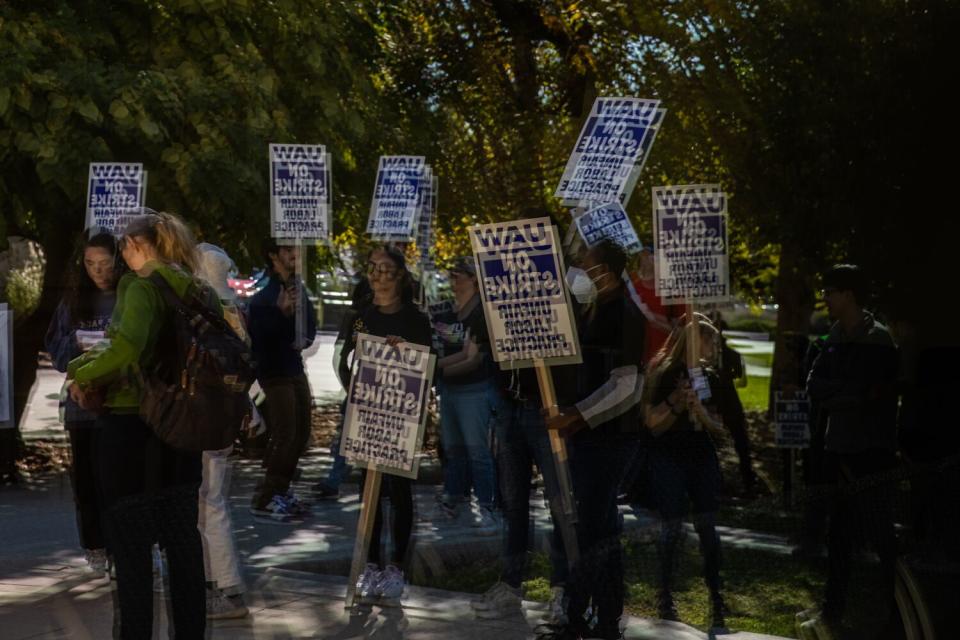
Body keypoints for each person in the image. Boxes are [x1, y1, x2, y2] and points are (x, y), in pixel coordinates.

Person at [67, 211, 209, 638]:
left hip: (134, 431)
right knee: (183, 545)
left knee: (131, 553)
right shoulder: (198, 289)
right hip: (185, 430)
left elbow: (125, 348)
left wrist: (82, 375)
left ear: (139, 247)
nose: (120, 254)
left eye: (125, 245)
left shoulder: (139, 285)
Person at [540, 239, 647, 640]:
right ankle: (604, 620)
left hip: (611, 440)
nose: (579, 273)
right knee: (601, 531)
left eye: (584, 265)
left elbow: (628, 386)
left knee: (590, 529)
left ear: (605, 270)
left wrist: (578, 415)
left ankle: (576, 618)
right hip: (588, 437)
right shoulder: (591, 310)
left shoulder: (625, 314)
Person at [798, 265, 899, 640]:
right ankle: (832, 610)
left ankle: (894, 616)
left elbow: (868, 396)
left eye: (831, 290)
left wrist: (838, 393)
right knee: (838, 536)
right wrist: (843, 392)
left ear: (850, 295)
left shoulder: (880, 341)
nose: (825, 297)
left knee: (880, 538)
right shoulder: (834, 337)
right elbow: (814, 384)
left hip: (872, 453)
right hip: (838, 448)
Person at [346, 246, 432, 603]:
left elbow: (429, 366)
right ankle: (368, 565)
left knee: (398, 492)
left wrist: (404, 353)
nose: (379, 275)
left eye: (387, 269)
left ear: (400, 276)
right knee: (368, 494)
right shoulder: (361, 317)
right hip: (366, 414)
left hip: (402, 416)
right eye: (373, 268)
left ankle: (396, 567)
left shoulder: (416, 319)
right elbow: (345, 361)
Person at [44, 230, 123, 574]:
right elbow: (57, 352)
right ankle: (95, 545)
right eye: (90, 265)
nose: (98, 272)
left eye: (105, 264)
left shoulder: (129, 296)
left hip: (122, 404)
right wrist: (77, 343)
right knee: (87, 482)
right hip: (81, 407)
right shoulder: (73, 302)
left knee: (120, 480)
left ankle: (126, 545)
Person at [643, 314, 728, 630]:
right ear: (696, 341)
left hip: (700, 457)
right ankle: (664, 595)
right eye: (709, 341)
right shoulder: (664, 373)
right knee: (672, 527)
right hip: (669, 457)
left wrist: (699, 411)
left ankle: (716, 596)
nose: (713, 348)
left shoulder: (710, 378)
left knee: (707, 526)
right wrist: (677, 402)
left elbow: (719, 427)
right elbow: (652, 424)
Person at [194, 243, 249, 619]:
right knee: (209, 504)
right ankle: (216, 584)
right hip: (222, 424)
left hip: (208, 424)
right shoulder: (234, 317)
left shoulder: (210, 321)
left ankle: (226, 589)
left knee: (209, 505)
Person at [247, 239, 318, 523]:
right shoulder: (266, 293)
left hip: (294, 367)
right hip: (274, 371)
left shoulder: (298, 287)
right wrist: (281, 314)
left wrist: (302, 332)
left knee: (301, 434)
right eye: (288, 250)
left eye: (296, 250)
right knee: (286, 434)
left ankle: (282, 490)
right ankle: (265, 497)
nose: (294, 255)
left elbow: (308, 328)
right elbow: (260, 340)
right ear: (273, 255)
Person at [433, 256, 498, 531]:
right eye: (452, 273)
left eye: (461, 274)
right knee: (453, 449)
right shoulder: (445, 311)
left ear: (474, 279)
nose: (454, 278)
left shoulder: (482, 312)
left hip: (475, 390)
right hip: (450, 391)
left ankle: (487, 505)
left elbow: (472, 358)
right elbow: (439, 346)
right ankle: (453, 497)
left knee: (478, 452)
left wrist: (434, 370)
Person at [313, 277, 370, 500]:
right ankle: (338, 480)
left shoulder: (369, 316)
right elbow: (345, 353)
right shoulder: (358, 317)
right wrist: (349, 383)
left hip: (372, 386)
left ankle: (357, 483)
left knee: (352, 438)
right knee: (347, 437)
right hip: (359, 384)